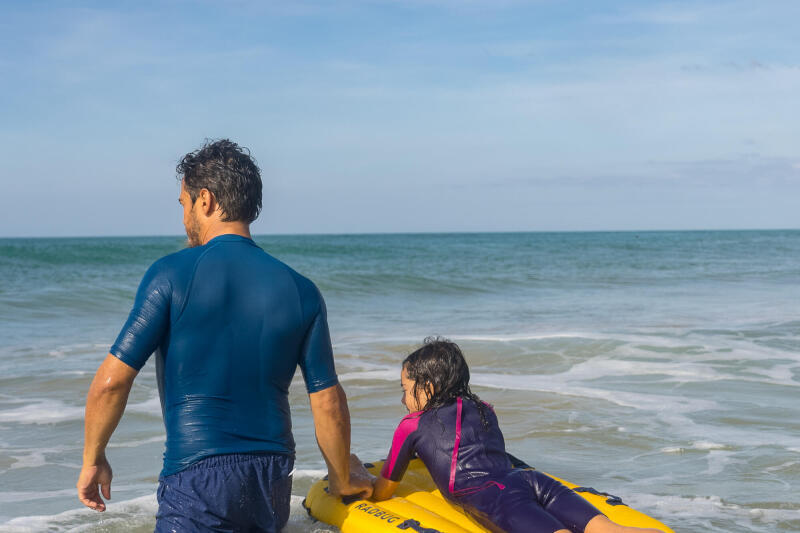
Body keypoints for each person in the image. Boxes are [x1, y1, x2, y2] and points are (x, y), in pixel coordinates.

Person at [76, 139, 371, 532]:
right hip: (271, 479)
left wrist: (93, 458)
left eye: (183, 204)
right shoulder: (301, 289)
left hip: (197, 478)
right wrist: (342, 480)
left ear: (206, 200)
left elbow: (111, 383)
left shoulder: (169, 275)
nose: (183, 218)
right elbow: (328, 400)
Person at [370, 337, 664, 533]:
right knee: (612, 530)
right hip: (530, 479)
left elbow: (384, 490)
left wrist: (360, 473)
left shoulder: (412, 424)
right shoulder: (484, 408)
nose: (403, 399)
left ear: (428, 388)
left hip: (494, 497)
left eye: (406, 390)